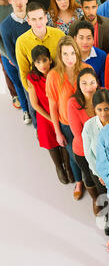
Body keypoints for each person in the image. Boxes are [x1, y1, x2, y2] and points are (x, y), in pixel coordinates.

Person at [46, 36, 90, 199]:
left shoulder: (86, 69)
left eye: (72, 53)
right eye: (65, 54)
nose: (70, 58)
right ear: (60, 55)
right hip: (66, 124)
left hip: (86, 123)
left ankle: (92, 180)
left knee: (90, 154)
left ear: (77, 53)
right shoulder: (53, 76)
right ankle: (79, 181)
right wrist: (58, 132)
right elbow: (53, 107)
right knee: (74, 155)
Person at [27, 45, 71, 184]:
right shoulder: (32, 77)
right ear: (34, 64)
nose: (42, 65)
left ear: (50, 60)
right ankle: (59, 167)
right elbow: (34, 104)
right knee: (51, 142)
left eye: (44, 60)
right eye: (38, 62)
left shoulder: (57, 73)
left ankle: (68, 166)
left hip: (60, 113)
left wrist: (58, 117)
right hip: (45, 115)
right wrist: (51, 119)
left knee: (64, 141)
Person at [68, 67, 102, 215]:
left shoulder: (103, 96)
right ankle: (95, 200)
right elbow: (77, 132)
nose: (88, 87)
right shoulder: (73, 103)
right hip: (83, 149)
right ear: (78, 85)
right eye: (84, 83)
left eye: (92, 82)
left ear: (97, 83)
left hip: (104, 148)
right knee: (88, 176)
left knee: (101, 177)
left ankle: (104, 198)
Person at [82, 88, 109, 228]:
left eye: (107, 109)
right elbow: (89, 154)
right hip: (99, 173)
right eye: (99, 109)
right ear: (94, 109)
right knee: (106, 199)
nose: (103, 113)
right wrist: (102, 175)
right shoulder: (89, 126)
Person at [16, 2, 65, 91]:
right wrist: (34, 94)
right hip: (37, 88)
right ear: (28, 20)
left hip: (60, 85)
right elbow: (24, 72)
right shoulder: (21, 42)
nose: (38, 22)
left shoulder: (59, 35)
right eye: (34, 19)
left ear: (46, 18)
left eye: (40, 18)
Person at [0, 0, 31, 123]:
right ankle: (25, 110)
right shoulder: (5, 24)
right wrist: (11, 58)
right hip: (8, 54)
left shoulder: (29, 16)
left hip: (28, 57)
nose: (18, 2)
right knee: (18, 83)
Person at [73, 20, 106, 86]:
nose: (85, 42)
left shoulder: (102, 56)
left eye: (88, 38)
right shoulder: (70, 56)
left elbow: (104, 83)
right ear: (75, 39)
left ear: (93, 39)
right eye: (81, 38)